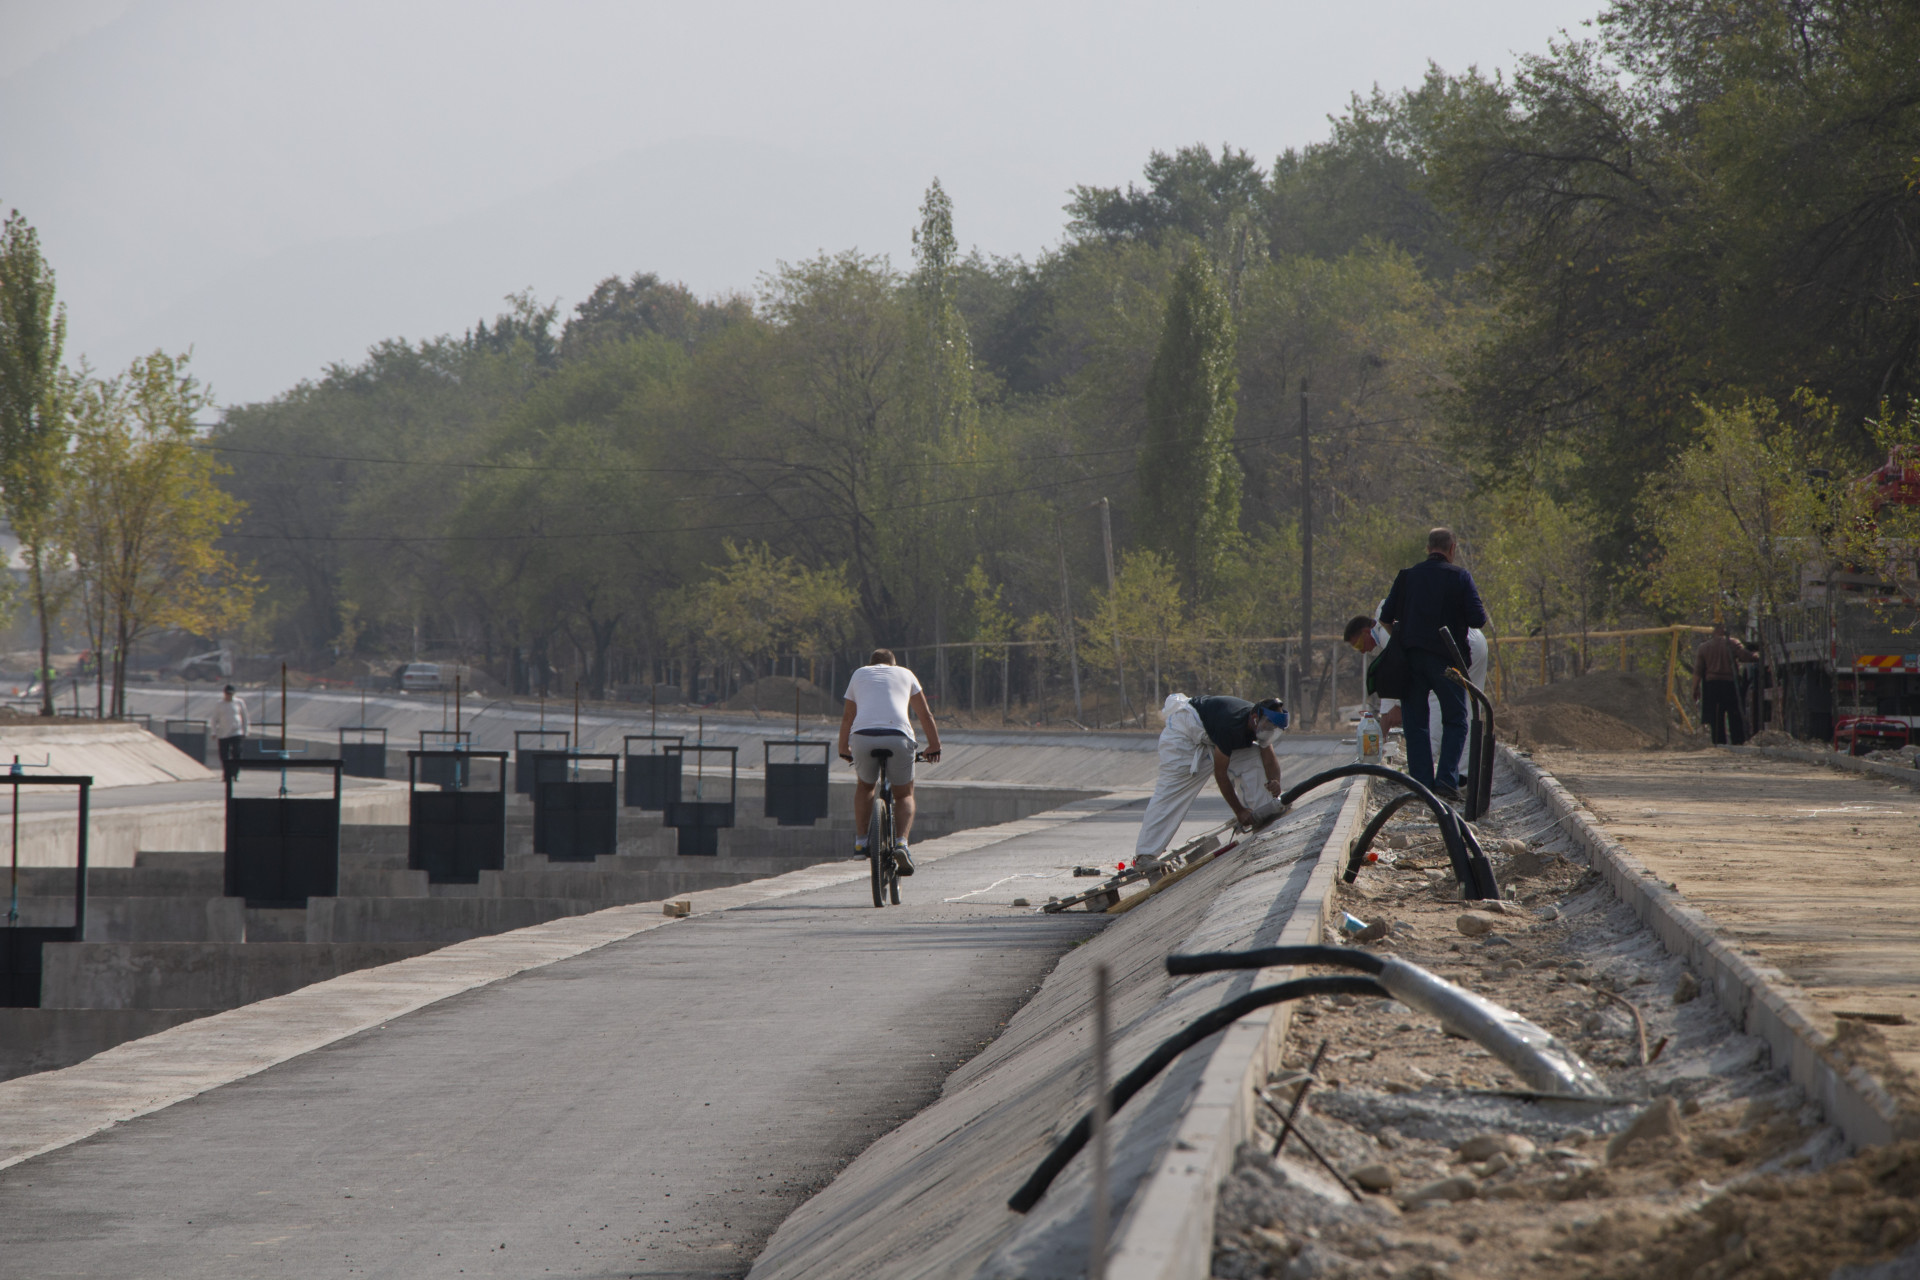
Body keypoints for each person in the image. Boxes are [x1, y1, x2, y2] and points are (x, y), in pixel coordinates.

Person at [1379, 527, 1490, 801]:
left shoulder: (1406, 577)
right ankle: (1446, 782)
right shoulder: (1461, 576)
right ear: (1452, 549)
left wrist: (1404, 639)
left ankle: (1421, 786)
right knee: (1456, 719)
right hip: (1447, 662)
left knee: (1416, 722)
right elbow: (1478, 620)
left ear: (1428, 548)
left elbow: (1385, 618)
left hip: (1412, 660)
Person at [1135, 693, 1287, 869]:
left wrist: (1275, 782)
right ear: (1255, 719)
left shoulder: (1259, 723)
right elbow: (1220, 774)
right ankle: (1145, 855)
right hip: (1183, 735)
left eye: (1273, 729)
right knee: (1173, 791)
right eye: (1268, 727)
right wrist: (1239, 811)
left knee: (1253, 757)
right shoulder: (1232, 725)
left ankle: (1263, 818)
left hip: (1209, 737)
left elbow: (1268, 757)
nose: (1269, 732)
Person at [837, 649, 942, 874]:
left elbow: (848, 717)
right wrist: (934, 746)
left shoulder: (859, 674)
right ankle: (902, 843)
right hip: (898, 736)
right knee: (904, 794)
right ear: (893, 664)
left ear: (871, 664)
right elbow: (925, 715)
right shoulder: (906, 674)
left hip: (863, 737)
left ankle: (861, 841)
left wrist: (842, 748)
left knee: (865, 786)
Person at [1693, 623, 1758, 745]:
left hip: (1711, 686)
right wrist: (1757, 656)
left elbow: (1698, 671)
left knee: (1716, 718)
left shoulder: (1704, 647)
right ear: (1723, 630)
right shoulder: (1732, 643)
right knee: (1734, 715)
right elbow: (1744, 656)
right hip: (1730, 685)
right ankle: (1737, 742)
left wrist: (1695, 688)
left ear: (1713, 632)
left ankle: (1719, 743)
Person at [211, 684, 248, 780]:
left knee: (237, 753)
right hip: (223, 733)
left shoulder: (239, 702)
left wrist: (246, 731)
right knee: (224, 755)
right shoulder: (219, 704)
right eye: (227, 694)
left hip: (236, 732)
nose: (229, 696)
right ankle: (227, 774)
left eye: (230, 694)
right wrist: (213, 732)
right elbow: (214, 719)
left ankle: (235, 773)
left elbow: (245, 717)